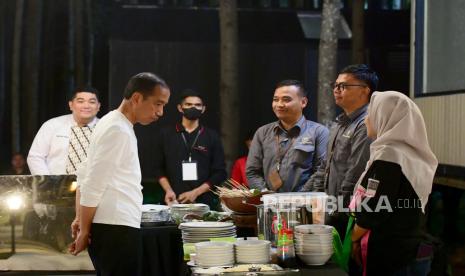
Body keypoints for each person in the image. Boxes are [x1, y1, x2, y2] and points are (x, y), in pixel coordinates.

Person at [69, 73, 170, 276]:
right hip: (115, 227)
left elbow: (84, 172)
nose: (160, 112)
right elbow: (93, 182)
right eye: (157, 104)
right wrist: (85, 229)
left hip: (113, 225)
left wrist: (81, 218)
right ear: (137, 98)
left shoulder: (113, 122)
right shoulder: (118, 129)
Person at [349, 91, 438, 276]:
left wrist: (353, 237)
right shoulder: (411, 154)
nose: (366, 120)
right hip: (413, 248)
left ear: (386, 117)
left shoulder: (389, 155)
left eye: (370, 114)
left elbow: (376, 207)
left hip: (393, 254)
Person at [301, 64, 379, 237]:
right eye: (335, 86)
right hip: (331, 208)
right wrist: (315, 197)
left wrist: (338, 209)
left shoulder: (367, 122)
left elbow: (357, 171)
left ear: (365, 90)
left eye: (344, 86)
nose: (337, 90)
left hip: (348, 212)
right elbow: (325, 165)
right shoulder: (339, 122)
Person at [246, 80, 329, 192]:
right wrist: (266, 195)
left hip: (305, 204)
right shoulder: (262, 132)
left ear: (303, 102)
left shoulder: (319, 132)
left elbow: (321, 171)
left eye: (286, 99)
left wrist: (299, 198)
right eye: (276, 99)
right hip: (269, 204)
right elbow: (252, 171)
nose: (279, 104)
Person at [154, 89, 226, 210]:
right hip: (173, 200)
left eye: (197, 105)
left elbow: (219, 172)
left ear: (203, 109)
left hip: (204, 202)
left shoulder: (211, 136)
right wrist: (169, 191)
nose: (193, 107)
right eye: (188, 104)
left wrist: (195, 193)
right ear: (180, 108)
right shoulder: (166, 134)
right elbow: (157, 168)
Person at [27, 87, 100, 175]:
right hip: (55, 185)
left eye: (92, 102)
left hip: (95, 186)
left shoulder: (107, 129)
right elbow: (36, 157)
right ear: (71, 105)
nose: (86, 106)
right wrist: (48, 183)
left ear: (98, 106)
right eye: (80, 101)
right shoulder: (52, 125)